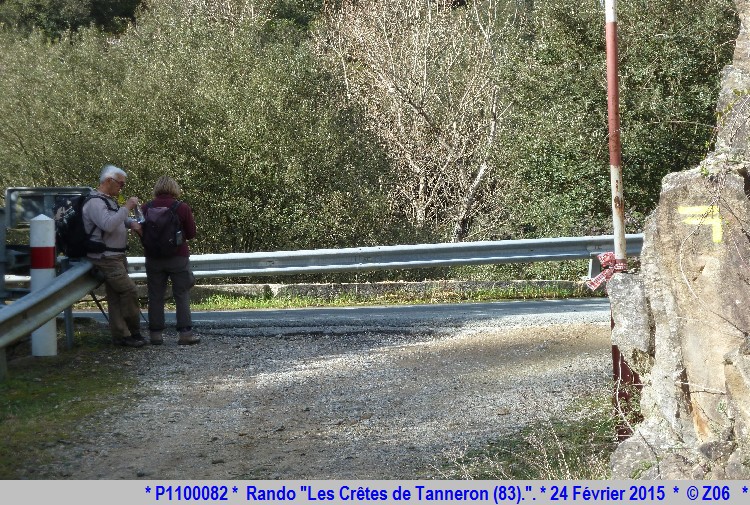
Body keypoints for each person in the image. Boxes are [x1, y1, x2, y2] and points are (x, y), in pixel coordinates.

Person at [83, 164, 145, 348]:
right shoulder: (95, 202)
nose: (122, 188)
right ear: (109, 181)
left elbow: (116, 219)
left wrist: (130, 223)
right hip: (106, 257)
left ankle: (121, 335)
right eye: (121, 184)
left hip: (116, 255)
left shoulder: (108, 200)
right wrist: (127, 207)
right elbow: (108, 224)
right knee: (129, 290)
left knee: (116, 296)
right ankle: (133, 332)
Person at [141, 175, 199, 345]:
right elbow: (191, 233)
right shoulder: (182, 208)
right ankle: (185, 334)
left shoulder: (145, 207)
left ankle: (156, 335)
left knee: (155, 296)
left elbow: (140, 231)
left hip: (153, 258)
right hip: (178, 257)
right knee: (181, 293)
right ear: (174, 189)